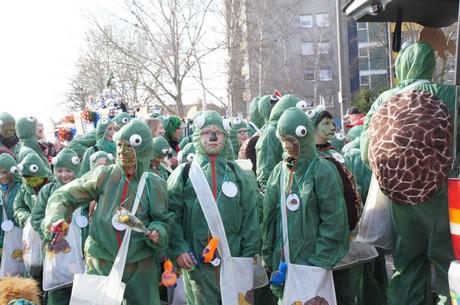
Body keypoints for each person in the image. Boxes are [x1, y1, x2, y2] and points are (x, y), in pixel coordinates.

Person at [360, 41, 458, 305]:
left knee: (407, 265)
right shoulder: (451, 95)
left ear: (400, 65)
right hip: (443, 197)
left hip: (400, 200)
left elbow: (365, 151)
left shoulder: (384, 100)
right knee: (449, 263)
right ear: (431, 65)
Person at [41, 120, 174, 305]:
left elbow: (164, 220)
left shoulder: (154, 183)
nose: (122, 151)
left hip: (139, 266)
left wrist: (158, 231)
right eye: (120, 145)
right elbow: (64, 196)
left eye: (130, 146)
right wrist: (55, 219)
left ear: (143, 147)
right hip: (101, 263)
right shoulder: (103, 175)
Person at [167, 110, 260, 304]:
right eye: (206, 132)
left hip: (234, 257)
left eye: (218, 132)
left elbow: (250, 214)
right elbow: (172, 216)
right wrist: (179, 249)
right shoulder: (183, 174)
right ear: (196, 136)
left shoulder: (237, 173)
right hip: (197, 261)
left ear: (225, 137)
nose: (212, 137)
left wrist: (248, 253)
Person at [262, 106, 349, 301]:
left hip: (312, 264)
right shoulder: (279, 172)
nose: (286, 146)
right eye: (283, 140)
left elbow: (334, 219)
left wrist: (319, 260)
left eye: (291, 140)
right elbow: (269, 217)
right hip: (284, 264)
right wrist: (269, 255)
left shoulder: (322, 170)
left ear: (304, 137)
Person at [30, 148, 81, 305]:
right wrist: (49, 230)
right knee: (58, 293)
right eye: (59, 170)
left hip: (80, 250)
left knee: (82, 292)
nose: (63, 175)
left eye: (68, 170)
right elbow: (36, 217)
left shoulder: (84, 189)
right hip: (56, 248)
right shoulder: (48, 190)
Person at [0, 154, 22, 257]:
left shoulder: (21, 187)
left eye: (5, 172)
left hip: (17, 234)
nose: (2, 176)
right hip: (2, 235)